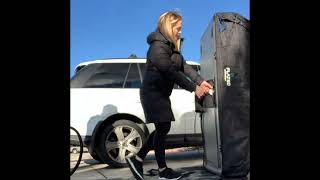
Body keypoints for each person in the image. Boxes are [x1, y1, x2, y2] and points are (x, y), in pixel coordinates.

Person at [126, 11, 213, 180]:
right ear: (168, 26)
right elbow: (170, 72)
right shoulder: (157, 47)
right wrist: (193, 88)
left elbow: (185, 68)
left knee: (162, 128)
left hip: (161, 94)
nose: (180, 32)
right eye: (177, 29)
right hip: (152, 94)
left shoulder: (173, 49)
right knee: (163, 128)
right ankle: (161, 169)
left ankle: (138, 159)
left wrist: (201, 81)